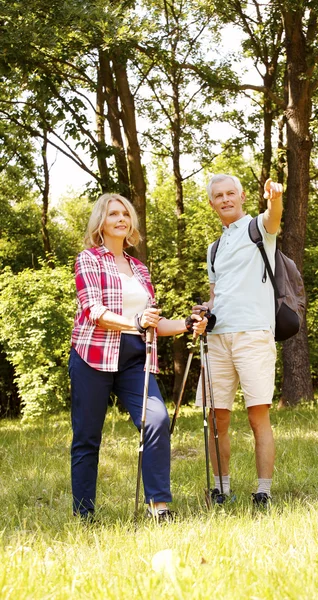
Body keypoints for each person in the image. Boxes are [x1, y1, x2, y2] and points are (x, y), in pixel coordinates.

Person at [69, 192, 207, 522]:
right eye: (113, 213)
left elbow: (152, 324)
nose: (121, 219)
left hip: (134, 360)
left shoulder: (139, 269)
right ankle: (85, 514)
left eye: (126, 214)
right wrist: (134, 322)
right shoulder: (89, 259)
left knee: (156, 420)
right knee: (88, 437)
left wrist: (188, 325)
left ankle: (158, 508)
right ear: (100, 222)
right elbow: (93, 311)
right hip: (93, 357)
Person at [195, 174, 283, 507]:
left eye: (231, 193)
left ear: (242, 196)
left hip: (253, 334)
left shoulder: (258, 228)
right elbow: (217, 293)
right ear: (212, 203)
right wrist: (205, 311)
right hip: (217, 338)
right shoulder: (213, 248)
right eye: (218, 195)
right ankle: (221, 490)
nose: (225, 199)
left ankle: (263, 492)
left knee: (257, 414)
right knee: (217, 418)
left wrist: (274, 198)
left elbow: (274, 217)